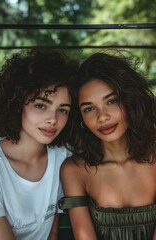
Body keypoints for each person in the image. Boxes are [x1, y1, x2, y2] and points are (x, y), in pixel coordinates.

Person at [58, 51, 156, 240]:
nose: (102, 117)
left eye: (111, 101)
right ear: (80, 118)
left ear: (129, 100)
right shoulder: (75, 170)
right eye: (89, 108)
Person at [0, 48, 78, 240]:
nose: (53, 119)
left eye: (63, 110)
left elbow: (53, 233)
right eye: (41, 105)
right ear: (17, 104)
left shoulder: (63, 157)